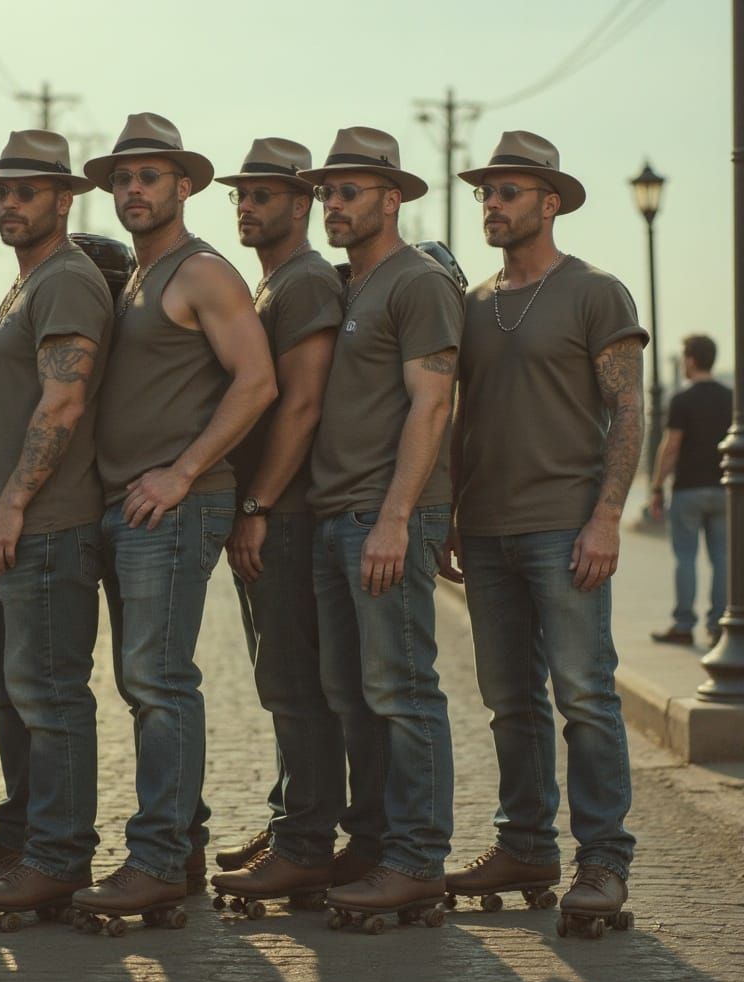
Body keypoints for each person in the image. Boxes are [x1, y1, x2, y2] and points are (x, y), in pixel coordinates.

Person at [72, 113, 276, 919]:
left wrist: (184, 472)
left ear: (183, 186)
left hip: (178, 505)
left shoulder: (202, 272)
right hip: (129, 506)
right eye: (122, 178)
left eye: (148, 177)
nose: (132, 190)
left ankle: (156, 859)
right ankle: (180, 851)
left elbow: (257, 383)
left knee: (161, 681)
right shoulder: (132, 278)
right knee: (141, 681)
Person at [444, 131, 646, 930]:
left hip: (566, 529)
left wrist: (606, 518)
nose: (492, 205)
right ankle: (525, 844)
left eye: (508, 192)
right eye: (485, 193)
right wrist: (455, 510)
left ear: (549, 202)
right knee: (509, 704)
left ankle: (603, 863)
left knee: (587, 697)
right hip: (487, 532)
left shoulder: (597, 292)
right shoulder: (471, 302)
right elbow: (461, 415)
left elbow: (628, 406)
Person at [302, 127, 463, 916]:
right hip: (338, 514)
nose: (332, 203)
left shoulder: (417, 281)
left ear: (390, 198)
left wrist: (397, 520)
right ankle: (370, 846)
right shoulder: (351, 285)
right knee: (351, 693)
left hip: (383, 515)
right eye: (327, 192)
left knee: (403, 690)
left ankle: (418, 859)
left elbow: (433, 404)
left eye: (349, 191)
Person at [0, 130, 114, 916]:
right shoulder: (27, 283)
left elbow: (63, 403)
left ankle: (59, 856)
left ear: (64, 199)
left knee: (50, 693)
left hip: (48, 526)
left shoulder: (65, 281)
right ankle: (27, 835)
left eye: (27, 192)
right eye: (3, 192)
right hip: (12, 528)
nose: (11, 204)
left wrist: (16, 501)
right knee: (9, 686)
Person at [207, 138, 346, 900]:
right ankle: (295, 817)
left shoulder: (306, 282)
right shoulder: (273, 284)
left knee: (295, 682)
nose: (248, 207)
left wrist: (258, 505)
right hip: (270, 511)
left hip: (289, 514)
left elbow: (302, 402)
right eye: (241, 196)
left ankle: (306, 842)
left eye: (264, 195)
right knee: (280, 678)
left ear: (304, 205)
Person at [649, 334, 731, 648]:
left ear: (692, 359)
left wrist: (657, 487)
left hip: (688, 491)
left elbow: (671, 447)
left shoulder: (682, 400)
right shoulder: (730, 397)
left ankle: (684, 625)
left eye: (685, 357)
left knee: (685, 558)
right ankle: (719, 626)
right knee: (722, 558)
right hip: (724, 490)